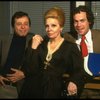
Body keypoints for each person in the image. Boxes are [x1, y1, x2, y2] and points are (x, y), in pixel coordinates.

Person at [18, 6, 84, 99]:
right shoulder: (39, 43)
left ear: (61, 27)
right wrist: (33, 47)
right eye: (47, 26)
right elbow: (28, 69)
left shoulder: (70, 47)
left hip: (54, 90)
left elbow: (79, 70)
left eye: (53, 25)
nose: (49, 29)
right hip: (31, 89)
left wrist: (73, 82)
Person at [0, 11, 33, 95]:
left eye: (26, 24)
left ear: (29, 26)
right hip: (3, 88)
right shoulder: (3, 40)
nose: (23, 27)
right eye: (19, 24)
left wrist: (24, 73)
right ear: (13, 26)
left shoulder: (35, 41)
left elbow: (41, 67)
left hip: (24, 89)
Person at [71, 5, 100, 99]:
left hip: (97, 87)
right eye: (76, 21)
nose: (78, 25)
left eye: (82, 20)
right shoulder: (69, 39)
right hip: (77, 87)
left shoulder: (99, 36)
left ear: (89, 21)